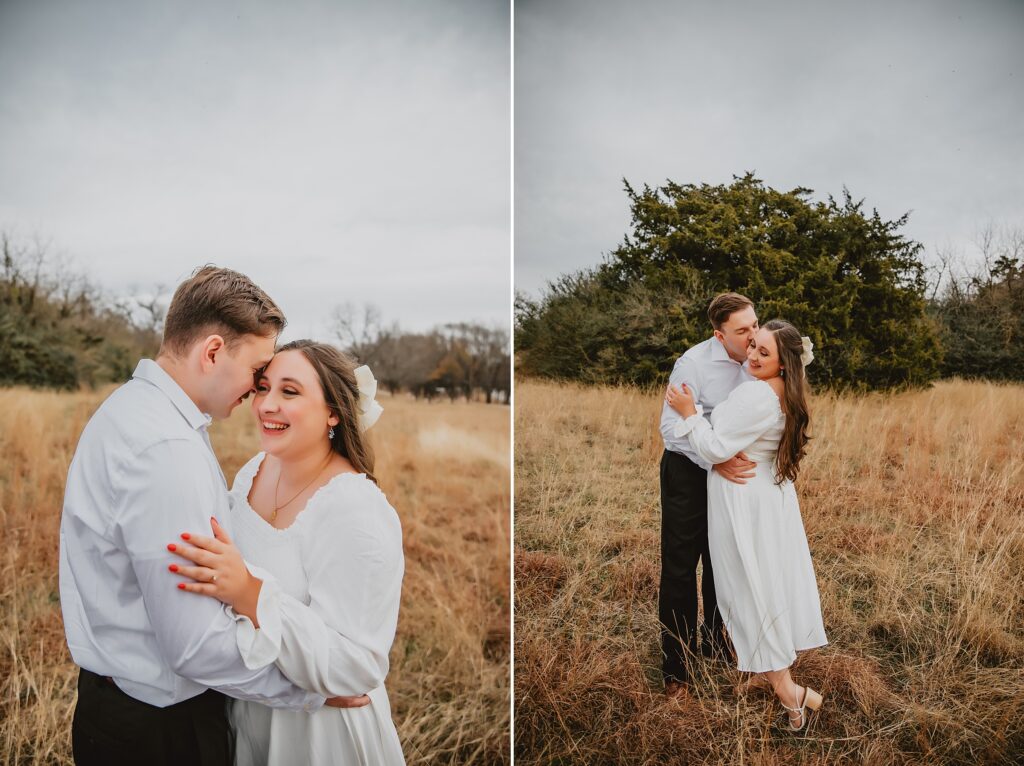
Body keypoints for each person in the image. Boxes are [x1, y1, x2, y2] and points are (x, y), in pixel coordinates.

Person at [59, 266, 360, 766]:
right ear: (214, 351)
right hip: (157, 732)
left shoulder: (135, 409)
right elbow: (195, 646)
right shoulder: (165, 449)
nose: (258, 390)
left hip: (117, 703)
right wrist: (311, 694)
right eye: (257, 371)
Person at [167, 340, 406, 765]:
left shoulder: (356, 509)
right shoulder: (254, 471)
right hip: (250, 711)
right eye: (263, 388)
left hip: (319, 736)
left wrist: (250, 593)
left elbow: (357, 666)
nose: (266, 405)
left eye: (289, 392)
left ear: (333, 412)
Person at [665, 319, 828, 731]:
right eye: (752, 345)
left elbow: (716, 447)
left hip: (743, 503)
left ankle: (793, 698)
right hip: (763, 499)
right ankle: (763, 670)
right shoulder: (782, 392)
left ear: (785, 364)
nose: (752, 356)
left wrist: (690, 414)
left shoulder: (758, 394)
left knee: (747, 589)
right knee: (758, 584)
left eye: (763, 352)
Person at [657, 292, 760, 697]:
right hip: (688, 472)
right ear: (719, 335)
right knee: (681, 570)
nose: (752, 335)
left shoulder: (758, 360)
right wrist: (714, 460)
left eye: (754, 324)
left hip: (733, 476)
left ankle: (717, 641)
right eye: (742, 330)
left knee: (723, 563)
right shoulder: (693, 364)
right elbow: (670, 429)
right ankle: (676, 667)